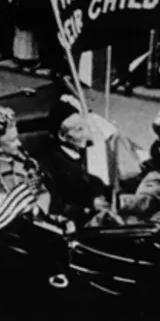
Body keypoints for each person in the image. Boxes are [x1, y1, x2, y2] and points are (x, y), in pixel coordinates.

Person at [31, 94, 110, 224]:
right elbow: (60, 205)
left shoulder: (82, 152)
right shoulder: (54, 164)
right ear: (63, 136)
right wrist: (91, 206)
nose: (87, 134)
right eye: (79, 130)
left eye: (85, 127)